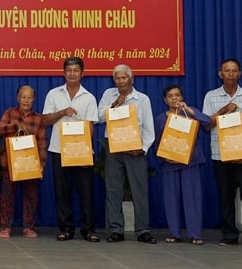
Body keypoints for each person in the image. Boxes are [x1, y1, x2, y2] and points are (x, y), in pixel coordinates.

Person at [41, 56, 101, 242]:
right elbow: (44, 120)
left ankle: (88, 230)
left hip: (82, 151)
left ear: (82, 73)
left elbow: (91, 126)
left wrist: (85, 147)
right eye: (69, 70)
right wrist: (62, 112)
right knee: (62, 191)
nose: (72, 73)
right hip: (59, 149)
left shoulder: (89, 97)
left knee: (86, 192)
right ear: (64, 73)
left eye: (76, 70)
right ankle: (66, 229)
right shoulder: (53, 94)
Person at [202, 58, 242, 247]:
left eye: (234, 71)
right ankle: (229, 235)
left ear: (240, 73)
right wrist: (225, 110)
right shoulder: (211, 96)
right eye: (227, 71)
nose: (231, 74)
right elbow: (207, 125)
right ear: (220, 74)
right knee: (225, 197)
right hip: (220, 154)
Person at [97, 64, 156, 244]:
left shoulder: (142, 99)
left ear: (132, 78)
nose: (120, 81)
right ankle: (116, 230)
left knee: (139, 190)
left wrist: (143, 148)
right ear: (113, 80)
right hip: (113, 146)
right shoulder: (109, 95)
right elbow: (98, 117)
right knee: (113, 189)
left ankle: (143, 230)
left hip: (135, 147)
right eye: (117, 78)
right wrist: (114, 105)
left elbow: (148, 127)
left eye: (124, 77)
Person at [154, 85, 211, 245]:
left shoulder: (191, 114)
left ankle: (195, 234)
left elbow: (207, 122)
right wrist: (164, 158)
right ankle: (174, 233)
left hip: (190, 162)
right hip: (169, 164)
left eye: (177, 95)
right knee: (171, 200)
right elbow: (157, 142)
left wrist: (189, 109)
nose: (174, 98)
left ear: (182, 97)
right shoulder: (160, 119)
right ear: (165, 100)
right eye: (170, 96)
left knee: (192, 198)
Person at [0, 85, 46, 239]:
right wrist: (15, 126)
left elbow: (42, 143)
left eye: (29, 97)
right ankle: (5, 227)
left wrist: (41, 166)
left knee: (31, 196)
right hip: (10, 164)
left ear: (34, 99)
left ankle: (29, 227)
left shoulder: (38, 118)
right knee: (7, 196)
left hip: (30, 165)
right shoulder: (9, 113)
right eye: (23, 97)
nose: (26, 100)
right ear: (18, 98)